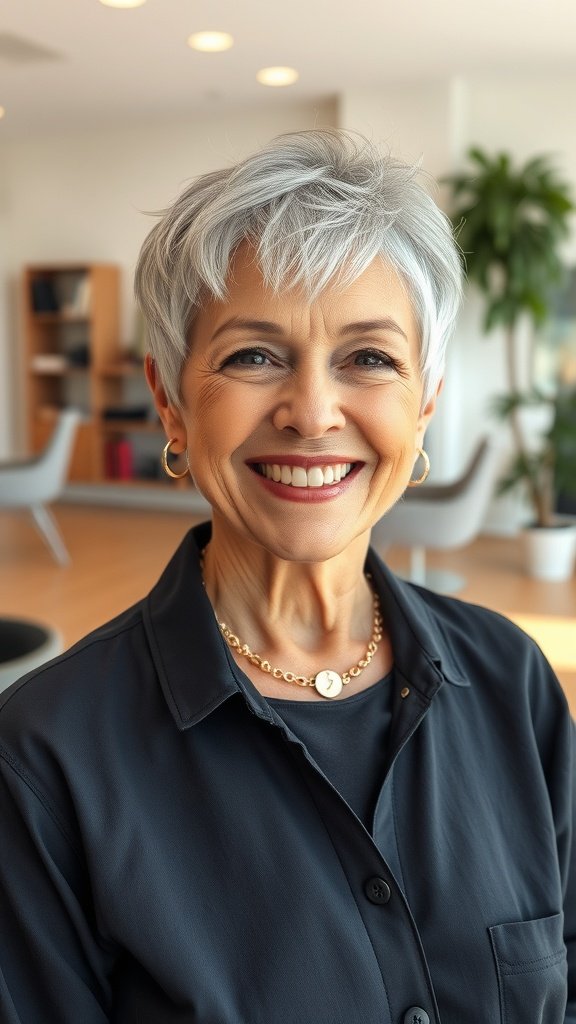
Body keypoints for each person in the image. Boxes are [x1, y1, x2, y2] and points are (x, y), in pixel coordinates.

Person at [0, 129, 573, 1024]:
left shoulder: (514, 679)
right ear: (170, 402)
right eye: (253, 356)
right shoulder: (45, 753)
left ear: (424, 401)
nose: (311, 412)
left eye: (369, 357)